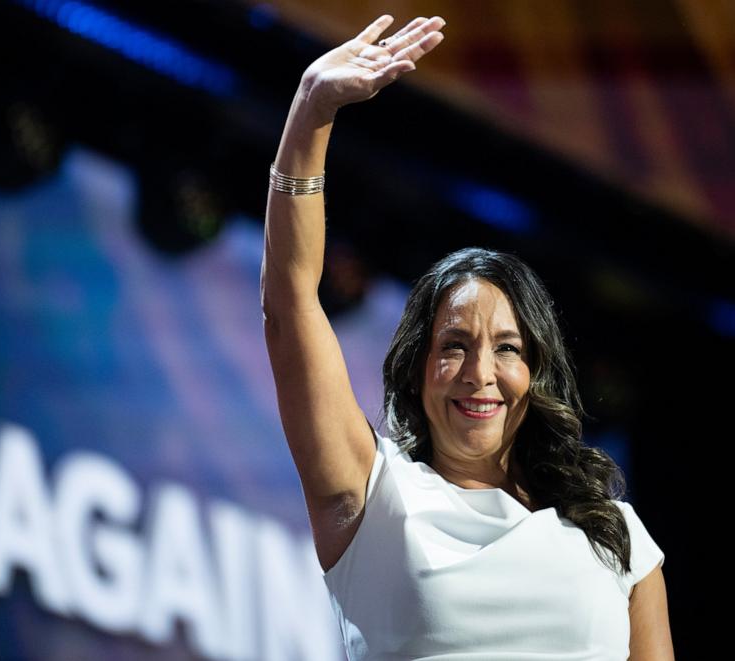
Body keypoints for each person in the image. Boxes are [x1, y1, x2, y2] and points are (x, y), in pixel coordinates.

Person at [261, 14, 674, 660]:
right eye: (453, 345)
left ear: (535, 372)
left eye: (507, 347)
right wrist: (311, 107)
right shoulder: (377, 501)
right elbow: (289, 306)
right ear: (417, 368)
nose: (480, 370)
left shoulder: (618, 536)